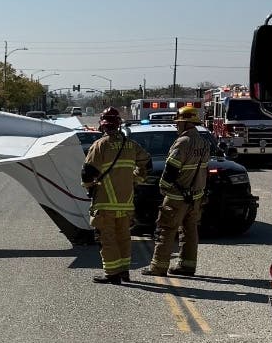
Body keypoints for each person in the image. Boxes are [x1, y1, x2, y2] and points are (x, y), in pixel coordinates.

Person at [80, 107, 150, 284]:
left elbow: (88, 173)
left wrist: (89, 187)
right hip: (126, 204)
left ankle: (112, 274)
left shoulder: (100, 145)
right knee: (124, 238)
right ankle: (124, 271)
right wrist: (136, 179)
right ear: (118, 125)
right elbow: (146, 164)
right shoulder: (131, 145)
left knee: (108, 239)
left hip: (105, 203)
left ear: (103, 126)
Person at [143, 105, 209, 277]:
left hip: (177, 196)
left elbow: (171, 168)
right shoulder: (203, 142)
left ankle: (158, 267)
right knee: (190, 230)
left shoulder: (183, 142)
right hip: (196, 197)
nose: (176, 126)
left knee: (165, 229)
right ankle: (187, 265)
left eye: (178, 123)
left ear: (186, 123)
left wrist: (163, 186)